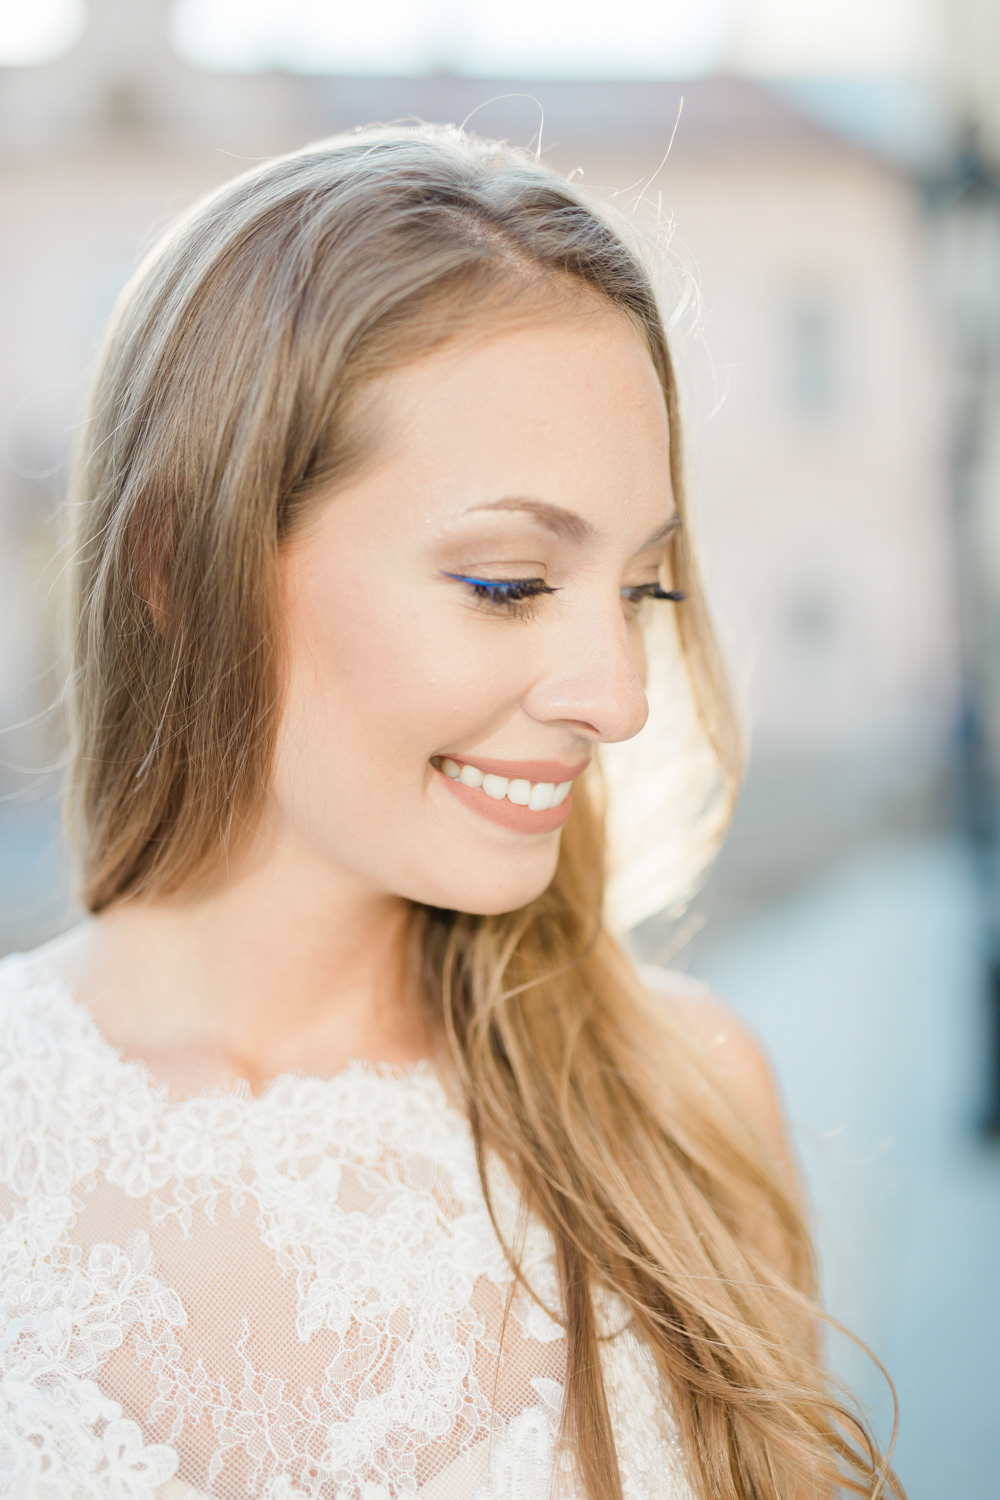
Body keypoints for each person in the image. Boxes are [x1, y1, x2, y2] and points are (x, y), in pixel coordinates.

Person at [0, 126, 901, 1500]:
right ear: (181, 566)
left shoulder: (685, 1103)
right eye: (506, 583)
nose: (619, 698)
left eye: (642, 591)